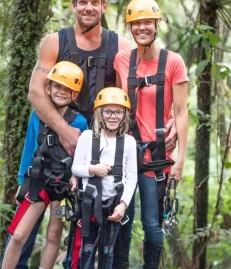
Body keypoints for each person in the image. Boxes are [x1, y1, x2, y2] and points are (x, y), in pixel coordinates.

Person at [9, 0, 177, 267]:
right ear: (74, 5)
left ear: (105, 7)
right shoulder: (55, 42)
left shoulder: (120, 46)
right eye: (82, 2)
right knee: (27, 214)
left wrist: (174, 119)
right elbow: (35, 92)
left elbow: (139, 87)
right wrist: (65, 131)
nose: (88, 8)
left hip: (100, 142)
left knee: (86, 218)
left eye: (94, 2)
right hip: (49, 137)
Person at [114, 0, 189, 268]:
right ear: (130, 28)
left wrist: (180, 161)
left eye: (147, 22)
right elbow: (114, 105)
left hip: (156, 155)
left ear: (157, 25)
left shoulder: (173, 62)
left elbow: (181, 112)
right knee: (121, 218)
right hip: (124, 155)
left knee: (152, 223)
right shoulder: (122, 60)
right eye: (136, 23)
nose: (142, 27)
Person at [1, 61, 88, 269]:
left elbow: (81, 157)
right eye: (57, 86)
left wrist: (76, 181)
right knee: (19, 234)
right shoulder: (37, 115)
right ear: (48, 87)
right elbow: (29, 148)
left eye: (68, 89)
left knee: (54, 234)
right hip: (38, 184)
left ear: (74, 94)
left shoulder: (80, 122)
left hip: (63, 188)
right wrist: (22, 181)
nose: (61, 92)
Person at [71, 87, 137, 269]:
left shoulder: (129, 142)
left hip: (113, 205)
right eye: (108, 111)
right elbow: (76, 167)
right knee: (87, 251)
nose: (113, 116)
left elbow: (131, 178)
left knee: (107, 253)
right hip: (89, 204)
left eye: (118, 112)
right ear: (100, 114)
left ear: (124, 115)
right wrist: (93, 169)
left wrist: (123, 205)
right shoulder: (87, 137)